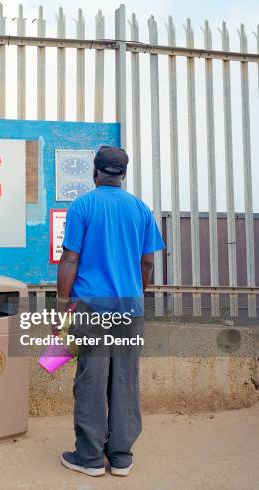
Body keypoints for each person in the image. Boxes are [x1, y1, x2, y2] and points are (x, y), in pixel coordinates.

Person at [56, 145, 165, 477]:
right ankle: (120, 456)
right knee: (125, 380)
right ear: (123, 175)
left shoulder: (83, 205)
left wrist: (62, 307)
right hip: (129, 310)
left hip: (90, 308)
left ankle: (89, 458)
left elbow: (71, 258)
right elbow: (147, 262)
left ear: (95, 172)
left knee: (92, 380)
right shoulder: (141, 210)